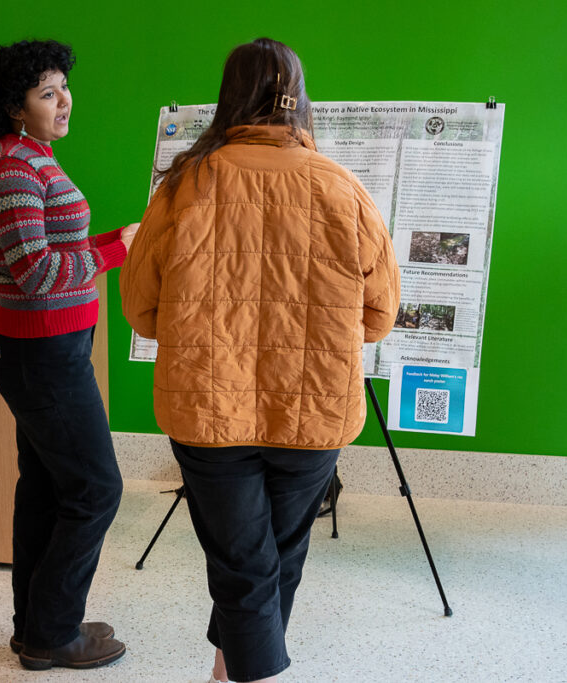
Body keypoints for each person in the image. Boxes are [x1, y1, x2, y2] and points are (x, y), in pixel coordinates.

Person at [121, 38, 400, 683]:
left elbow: (141, 311)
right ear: (301, 101)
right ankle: (238, 667)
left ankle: (239, 669)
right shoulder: (342, 188)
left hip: (206, 408)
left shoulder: (184, 186)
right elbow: (380, 318)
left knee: (244, 560)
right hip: (314, 412)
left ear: (229, 99)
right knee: (278, 554)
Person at [0, 39, 138, 671]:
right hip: (40, 352)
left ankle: (36, 626)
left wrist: (111, 238)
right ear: (16, 107)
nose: (64, 101)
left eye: (64, 87)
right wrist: (114, 252)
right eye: (48, 93)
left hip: (51, 347)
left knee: (45, 487)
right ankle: (54, 632)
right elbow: (36, 272)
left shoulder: (32, 157)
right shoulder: (13, 168)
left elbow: (52, 246)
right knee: (96, 490)